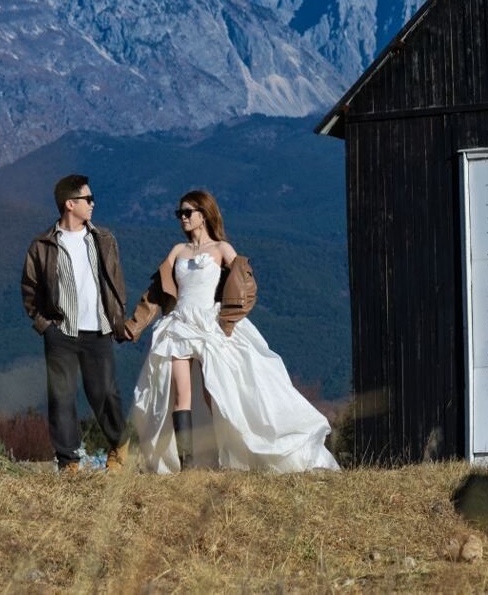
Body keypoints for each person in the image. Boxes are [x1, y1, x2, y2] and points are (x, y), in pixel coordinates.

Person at [118, 189, 339, 473]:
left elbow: (246, 284)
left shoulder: (222, 249)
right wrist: (133, 325)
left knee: (215, 391)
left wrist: (230, 317)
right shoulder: (177, 250)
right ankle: (188, 464)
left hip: (210, 324)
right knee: (180, 396)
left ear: (203, 215)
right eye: (179, 213)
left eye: (188, 212)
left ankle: (222, 457)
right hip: (179, 325)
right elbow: (155, 293)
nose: (182, 218)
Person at [20, 174, 129, 472]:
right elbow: (30, 288)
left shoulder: (103, 239)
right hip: (61, 332)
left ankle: (119, 444)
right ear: (70, 204)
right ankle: (68, 461)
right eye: (88, 199)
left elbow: (116, 282)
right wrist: (45, 325)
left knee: (104, 392)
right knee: (62, 397)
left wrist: (117, 316)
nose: (93, 204)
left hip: (98, 329)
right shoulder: (43, 244)